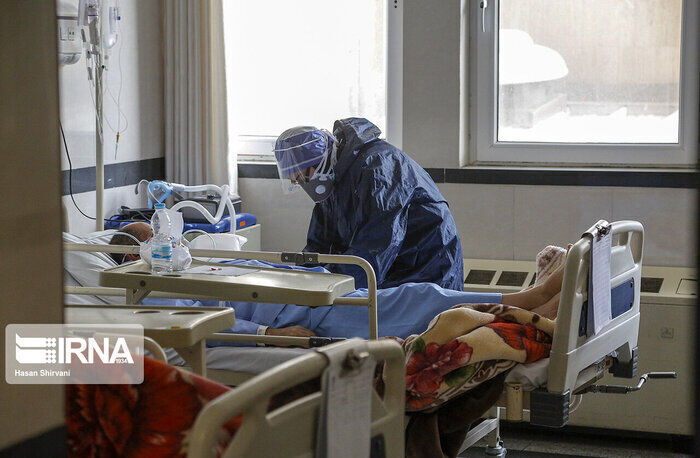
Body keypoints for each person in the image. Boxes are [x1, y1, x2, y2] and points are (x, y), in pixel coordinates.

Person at [109, 224, 563, 341]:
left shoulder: (199, 263)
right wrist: (268, 334)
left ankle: (531, 303)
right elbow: (201, 326)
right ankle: (532, 303)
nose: (169, 243)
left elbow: (263, 270)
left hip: (321, 297)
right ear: (133, 256)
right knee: (422, 302)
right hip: (306, 319)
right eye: (153, 240)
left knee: (417, 295)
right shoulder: (152, 294)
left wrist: (316, 275)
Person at [273, 118, 463, 291]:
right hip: (393, 272)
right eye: (295, 180)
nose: (301, 183)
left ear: (318, 161)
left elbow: (375, 248)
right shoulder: (332, 181)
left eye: (302, 176)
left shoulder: (378, 168)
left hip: (428, 271)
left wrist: (329, 287)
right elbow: (320, 246)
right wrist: (302, 278)